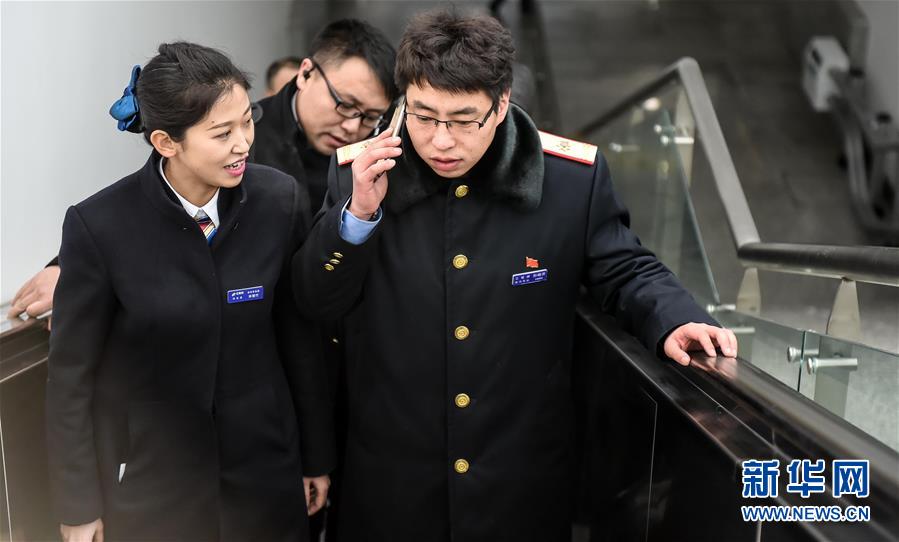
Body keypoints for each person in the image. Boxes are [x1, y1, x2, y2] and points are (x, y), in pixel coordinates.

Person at [293, 10, 739, 541]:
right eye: (423, 116)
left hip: (519, 478)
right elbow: (316, 299)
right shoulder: (360, 170)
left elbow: (624, 267)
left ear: (502, 103)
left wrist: (676, 319)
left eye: (463, 120)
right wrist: (358, 216)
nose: (440, 141)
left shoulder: (570, 179)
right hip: (391, 480)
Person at [47, 42, 332, 542]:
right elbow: (72, 378)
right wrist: (78, 506)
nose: (243, 144)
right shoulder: (100, 226)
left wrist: (315, 458)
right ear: (166, 142)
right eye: (222, 134)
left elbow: (299, 340)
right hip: (154, 488)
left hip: (266, 475)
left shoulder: (278, 201)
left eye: (247, 121)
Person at [6, 19, 397, 325]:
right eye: (345, 105)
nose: (353, 126)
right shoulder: (240, 138)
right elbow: (158, 200)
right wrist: (66, 266)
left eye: (370, 117)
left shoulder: (373, 152)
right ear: (306, 73)